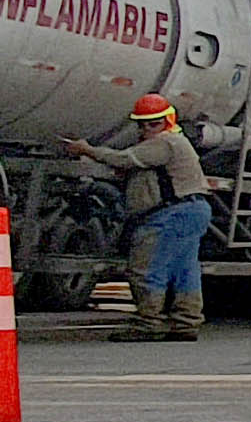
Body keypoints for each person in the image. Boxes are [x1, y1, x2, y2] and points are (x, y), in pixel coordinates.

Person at [62, 92, 213, 342]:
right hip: (189, 210)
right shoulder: (175, 142)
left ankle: (148, 323)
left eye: (153, 123)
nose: (147, 129)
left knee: (146, 268)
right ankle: (186, 322)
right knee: (184, 269)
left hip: (169, 215)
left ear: (167, 121)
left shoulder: (165, 142)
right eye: (142, 124)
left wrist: (87, 150)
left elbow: (125, 158)